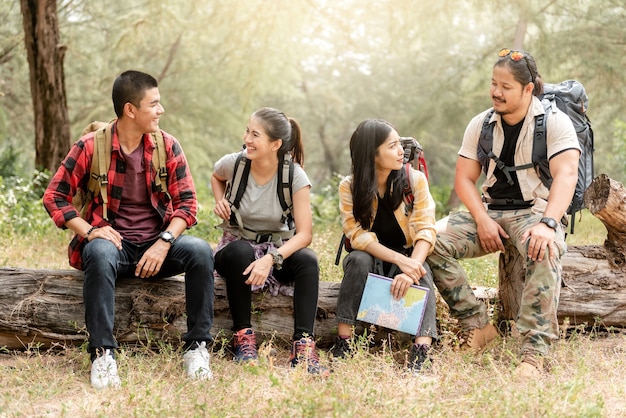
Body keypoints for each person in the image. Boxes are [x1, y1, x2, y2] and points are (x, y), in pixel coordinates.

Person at [43, 70, 215, 389]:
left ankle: (196, 348)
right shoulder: (90, 147)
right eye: (154, 103)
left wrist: (164, 241)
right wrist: (89, 231)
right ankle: (103, 354)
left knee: (200, 251)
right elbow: (54, 195)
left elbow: (188, 204)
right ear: (130, 110)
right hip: (114, 248)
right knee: (97, 249)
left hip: (156, 248)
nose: (161, 110)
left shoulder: (167, 145)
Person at [426, 48, 580, 377]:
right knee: (429, 241)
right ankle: (478, 326)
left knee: (546, 248)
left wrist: (549, 224)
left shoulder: (554, 123)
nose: (496, 91)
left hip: (535, 212)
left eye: (506, 86)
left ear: (529, 88)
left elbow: (567, 175)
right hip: (490, 211)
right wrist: (481, 218)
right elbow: (464, 179)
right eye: (493, 83)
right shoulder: (480, 124)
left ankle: (532, 353)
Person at [211, 107, 328, 376]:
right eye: (247, 131)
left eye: (255, 135)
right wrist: (221, 200)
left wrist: (270, 258)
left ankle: (304, 347)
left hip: (275, 250)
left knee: (308, 260)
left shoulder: (294, 176)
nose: (247, 139)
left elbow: (305, 234)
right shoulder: (236, 163)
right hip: (236, 245)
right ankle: (243, 338)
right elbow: (216, 176)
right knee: (240, 252)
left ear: (275, 144)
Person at [331, 119, 439, 374]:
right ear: (373, 153)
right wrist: (400, 261)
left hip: (409, 254)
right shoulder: (350, 186)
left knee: (422, 270)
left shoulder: (414, 181)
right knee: (357, 260)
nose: (401, 151)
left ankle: (421, 352)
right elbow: (357, 236)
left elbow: (426, 228)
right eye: (392, 146)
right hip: (372, 257)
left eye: (400, 144)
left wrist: (410, 266)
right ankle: (344, 343)